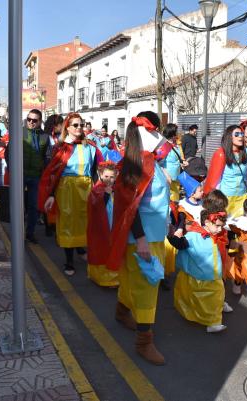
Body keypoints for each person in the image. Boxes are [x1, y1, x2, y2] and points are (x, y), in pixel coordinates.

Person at [107, 111, 170, 366]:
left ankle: (122, 312)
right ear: (143, 133)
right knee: (147, 289)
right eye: (154, 131)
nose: (159, 136)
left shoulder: (149, 161)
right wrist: (142, 239)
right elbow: (129, 206)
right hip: (142, 237)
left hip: (153, 233)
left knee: (132, 280)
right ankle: (144, 342)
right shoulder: (135, 165)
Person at [39, 113, 101, 275]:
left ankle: (80, 249)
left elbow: (95, 170)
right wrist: (51, 194)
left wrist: (97, 189)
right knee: (67, 222)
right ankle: (69, 261)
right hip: (66, 189)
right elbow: (53, 172)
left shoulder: (91, 146)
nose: (79, 128)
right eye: (75, 125)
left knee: (84, 221)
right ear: (67, 127)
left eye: (81, 125)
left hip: (86, 187)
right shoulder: (60, 147)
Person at [168, 209, 229, 333]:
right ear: (207, 222)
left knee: (216, 294)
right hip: (199, 275)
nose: (219, 229)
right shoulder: (193, 236)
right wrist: (172, 235)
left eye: (221, 226)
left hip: (214, 273)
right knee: (203, 297)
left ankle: (217, 311)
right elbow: (180, 243)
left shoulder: (217, 235)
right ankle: (212, 322)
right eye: (217, 226)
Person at [8, 109, 48, 244]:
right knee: (18, 205)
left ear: (40, 121)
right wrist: (13, 170)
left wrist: (45, 172)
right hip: (21, 175)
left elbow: (47, 157)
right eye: (28, 119)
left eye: (34, 120)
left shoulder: (45, 136)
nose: (31, 122)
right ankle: (16, 233)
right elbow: (9, 152)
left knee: (33, 206)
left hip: (36, 176)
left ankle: (30, 233)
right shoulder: (19, 132)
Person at [204, 125, 247, 217]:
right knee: (225, 226)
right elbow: (212, 179)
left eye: (242, 133)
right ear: (229, 137)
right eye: (237, 134)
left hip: (242, 197)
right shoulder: (221, 154)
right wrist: (207, 198)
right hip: (226, 198)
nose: (241, 136)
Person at [86, 161, 119, 287]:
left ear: (116, 176)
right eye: (106, 177)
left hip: (112, 223)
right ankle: (103, 278)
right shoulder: (97, 189)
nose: (109, 180)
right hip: (100, 226)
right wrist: (106, 194)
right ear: (100, 175)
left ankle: (114, 277)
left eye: (112, 177)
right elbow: (96, 205)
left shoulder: (116, 189)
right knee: (101, 248)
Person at [161, 123, 185, 201]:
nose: (178, 133)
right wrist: (167, 176)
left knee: (175, 198)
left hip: (176, 177)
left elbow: (176, 158)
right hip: (168, 178)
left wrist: (181, 163)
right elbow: (159, 163)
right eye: (176, 131)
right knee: (170, 200)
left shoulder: (176, 144)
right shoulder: (164, 146)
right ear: (172, 134)